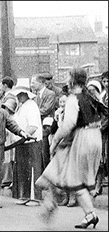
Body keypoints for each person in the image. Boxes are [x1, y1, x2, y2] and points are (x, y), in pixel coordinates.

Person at [35, 67, 108, 228]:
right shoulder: (90, 96)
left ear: (72, 80)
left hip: (82, 138)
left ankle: (89, 214)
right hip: (94, 137)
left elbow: (68, 124)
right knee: (65, 170)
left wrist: (54, 142)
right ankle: (51, 204)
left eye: (68, 77)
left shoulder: (73, 99)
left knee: (74, 179)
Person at [10, 83, 43, 204]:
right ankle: (24, 196)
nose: (19, 96)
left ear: (26, 95)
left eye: (21, 94)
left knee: (33, 170)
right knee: (23, 171)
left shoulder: (31, 106)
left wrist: (23, 136)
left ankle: (34, 198)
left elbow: (33, 126)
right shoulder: (22, 107)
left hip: (32, 143)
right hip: (22, 144)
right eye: (18, 94)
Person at [31, 73, 57, 171]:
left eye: (33, 82)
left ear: (41, 82)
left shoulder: (50, 94)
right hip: (38, 127)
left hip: (46, 128)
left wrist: (33, 113)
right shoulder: (34, 96)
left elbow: (46, 109)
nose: (31, 85)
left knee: (45, 153)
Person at [0, 98, 18, 189]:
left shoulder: (14, 118)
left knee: (12, 159)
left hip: (12, 140)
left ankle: (9, 180)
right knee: (6, 159)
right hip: (6, 140)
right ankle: (6, 179)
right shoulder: (4, 117)